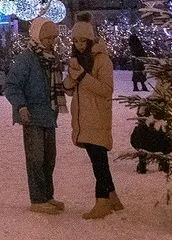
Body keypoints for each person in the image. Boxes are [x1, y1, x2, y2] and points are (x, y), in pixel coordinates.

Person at [4, 16, 66, 214]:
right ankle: (38, 199)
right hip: (32, 115)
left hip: (49, 114)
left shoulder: (53, 59)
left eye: (54, 38)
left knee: (50, 158)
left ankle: (48, 195)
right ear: (38, 37)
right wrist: (21, 105)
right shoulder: (27, 59)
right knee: (36, 158)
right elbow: (12, 86)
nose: (51, 42)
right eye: (47, 38)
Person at [66, 19, 123, 219]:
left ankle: (103, 201)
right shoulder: (78, 59)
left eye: (83, 41)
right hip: (83, 118)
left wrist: (82, 77)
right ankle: (112, 197)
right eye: (76, 41)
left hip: (97, 117)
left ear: (90, 40)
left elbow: (106, 90)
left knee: (99, 162)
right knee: (98, 160)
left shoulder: (102, 60)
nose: (79, 45)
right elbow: (72, 90)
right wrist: (71, 78)